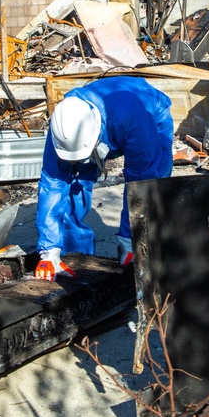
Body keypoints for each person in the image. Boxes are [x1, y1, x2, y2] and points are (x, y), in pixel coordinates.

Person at [34, 77, 173, 280]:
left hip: (150, 116)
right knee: (75, 188)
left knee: (155, 184)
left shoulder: (133, 117)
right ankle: (77, 260)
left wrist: (131, 237)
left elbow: (140, 182)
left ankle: (147, 248)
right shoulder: (63, 127)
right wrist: (48, 249)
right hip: (101, 131)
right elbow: (52, 185)